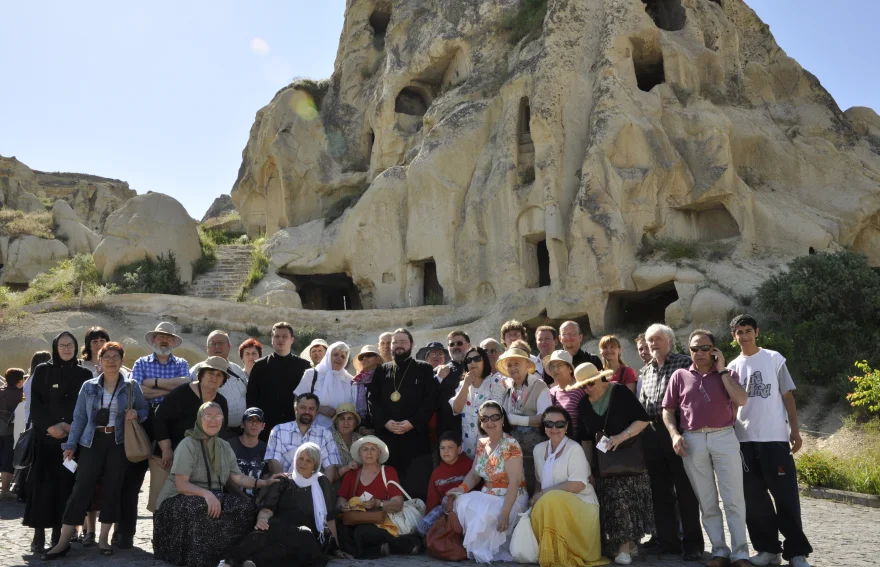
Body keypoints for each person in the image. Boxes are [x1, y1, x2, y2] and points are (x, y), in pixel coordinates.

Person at [42, 342, 148, 559]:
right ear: (99, 361)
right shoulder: (88, 386)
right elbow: (79, 418)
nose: (111, 361)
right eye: (107, 357)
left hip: (118, 443)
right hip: (91, 442)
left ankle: (103, 540)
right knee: (81, 489)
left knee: (112, 489)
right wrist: (70, 445)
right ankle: (63, 542)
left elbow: (144, 410)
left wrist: (136, 414)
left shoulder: (131, 386)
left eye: (116, 357)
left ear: (121, 360)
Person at [728, 314, 813, 567]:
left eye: (748, 331)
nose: (744, 336)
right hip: (744, 441)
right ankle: (768, 550)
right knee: (754, 500)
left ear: (757, 332)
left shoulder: (774, 358)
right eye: (739, 332)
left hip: (774, 438)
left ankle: (797, 553)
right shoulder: (732, 367)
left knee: (785, 497)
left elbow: (788, 397)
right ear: (734, 337)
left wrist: (795, 431)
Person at [662, 329, 750, 567]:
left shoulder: (728, 373)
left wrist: (721, 370)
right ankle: (719, 551)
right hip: (692, 439)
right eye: (694, 348)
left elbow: (741, 400)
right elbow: (667, 410)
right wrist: (674, 435)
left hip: (724, 436)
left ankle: (741, 553)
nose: (699, 353)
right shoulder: (680, 376)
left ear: (714, 349)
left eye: (704, 348)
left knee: (733, 498)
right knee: (706, 500)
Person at [153, 402, 278, 567]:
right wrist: (207, 494)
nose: (213, 421)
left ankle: (233, 557)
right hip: (176, 499)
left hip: (211, 496)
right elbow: (181, 485)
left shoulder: (224, 446)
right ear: (200, 418)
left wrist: (264, 482)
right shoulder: (188, 444)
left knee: (244, 508)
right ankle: (198, 560)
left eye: (217, 416)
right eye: (208, 416)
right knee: (199, 507)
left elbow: (237, 477)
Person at [572, 363, 653, 565]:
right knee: (610, 507)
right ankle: (628, 545)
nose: (588, 388)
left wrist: (620, 437)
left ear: (600, 378)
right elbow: (586, 439)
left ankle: (624, 550)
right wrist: (588, 468)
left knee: (622, 503)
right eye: (583, 386)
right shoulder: (583, 404)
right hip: (602, 464)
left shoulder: (619, 392)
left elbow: (643, 420)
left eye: (590, 383)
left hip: (628, 459)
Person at [222, 443, 351, 567]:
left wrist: (336, 548)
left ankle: (252, 562)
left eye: (308, 461)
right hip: (281, 525)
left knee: (298, 546)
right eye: (300, 458)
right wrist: (262, 519)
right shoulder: (283, 480)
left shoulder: (322, 482)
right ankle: (229, 562)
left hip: (308, 532)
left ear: (315, 465)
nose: (302, 463)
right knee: (266, 530)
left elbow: (328, 517)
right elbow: (268, 508)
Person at [638, 323, 703, 559]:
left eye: (657, 339)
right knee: (660, 492)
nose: (653, 344)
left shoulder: (685, 363)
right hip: (653, 435)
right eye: (650, 340)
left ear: (670, 341)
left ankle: (693, 544)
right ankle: (668, 543)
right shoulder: (645, 371)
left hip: (678, 432)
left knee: (686, 491)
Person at [123, 321, 191, 547]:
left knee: (165, 483)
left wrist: (153, 383)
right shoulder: (141, 362)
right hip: (143, 422)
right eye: (160, 336)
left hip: (171, 427)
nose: (164, 340)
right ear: (153, 340)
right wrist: (166, 388)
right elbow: (137, 391)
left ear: (173, 341)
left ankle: (163, 535)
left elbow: (184, 387)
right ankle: (125, 533)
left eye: (169, 337)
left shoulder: (182, 363)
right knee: (132, 481)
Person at [24, 332, 92, 553]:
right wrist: (51, 427)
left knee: (65, 489)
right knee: (42, 488)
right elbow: (36, 405)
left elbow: (87, 406)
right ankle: (38, 534)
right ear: (55, 347)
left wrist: (71, 427)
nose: (66, 349)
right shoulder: (43, 370)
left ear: (76, 347)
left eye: (70, 345)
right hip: (45, 441)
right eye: (62, 345)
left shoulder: (84, 374)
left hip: (71, 442)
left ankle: (58, 535)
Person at [446, 401, 528, 563]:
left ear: (502, 420)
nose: (490, 422)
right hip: (487, 495)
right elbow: (475, 475)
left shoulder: (510, 444)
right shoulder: (482, 443)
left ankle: (487, 549)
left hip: (509, 499)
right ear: (480, 422)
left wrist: (505, 513)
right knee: (461, 500)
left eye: (495, 417)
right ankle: (478, 548)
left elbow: (515, 481)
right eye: (485, 418)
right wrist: (461, 489)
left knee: (488, 513)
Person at [531, 406, 607, 567]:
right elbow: (539, 481)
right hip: (550, 503)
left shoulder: (574, 449)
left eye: (559, 424)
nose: (554, 428)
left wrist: (543, 494)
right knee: (543, 504)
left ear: (566, 427)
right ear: (543, 426)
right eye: (549, 424)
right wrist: (535, 498)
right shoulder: (538, 450)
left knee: (550, 499)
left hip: (581, 503)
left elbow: (578, 484)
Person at [368, 328, 437, 501]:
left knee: (417, 486)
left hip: (415, 438)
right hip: (387, 438)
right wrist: (384, 422)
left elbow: (430, 401)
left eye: (403, 342)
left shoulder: (424, 369)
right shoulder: (382, 370)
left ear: (412, 344)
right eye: (395, 342)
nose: (398, 345)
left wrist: (412, 422)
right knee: (388, 486)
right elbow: (372, 399)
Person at [335, 435, 423, 558]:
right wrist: (343, 507)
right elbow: (340, 501)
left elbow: (398, 503)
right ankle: (388, 547)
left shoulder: (388, 471)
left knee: (362, 532)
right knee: (340, 529)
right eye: (365, 449)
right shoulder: (352, 474)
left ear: (379, 453)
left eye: (373, 449)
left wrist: (378, 503)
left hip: (381, 521)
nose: (369, 453)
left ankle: (384, 547)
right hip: (356, 518)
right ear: (360, 453)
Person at [155, 356, 230, 467]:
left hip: (202, 459)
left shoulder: (221, 402)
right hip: (168, 456)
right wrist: (166, 449)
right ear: (202, 375)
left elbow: (221, 431)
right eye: (211, 373)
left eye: (219, 375)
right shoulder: (182, 393)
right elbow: (160, 418)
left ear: (223, 380)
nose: (214, 377)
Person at [246, 322, 311, 442]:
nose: (280, 340)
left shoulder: (304, 366)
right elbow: (251, 398)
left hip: (295, 427)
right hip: (266, 429)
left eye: (284, 336)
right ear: (271, 339)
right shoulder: (260, 366)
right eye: (276, 336)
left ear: (292, 339)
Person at [450, 346, 508, 459]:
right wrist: (466, 385)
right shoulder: (463, 385)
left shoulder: (495, 381)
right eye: (468, 360)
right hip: (468, 448)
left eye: (477, 358)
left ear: (484, 361)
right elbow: (456, 409)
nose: (472, 362)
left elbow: (495, 413)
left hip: (491, 447)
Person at [265, 393, 340, 479]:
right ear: (295, 409)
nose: (307, 412)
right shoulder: (278, 430)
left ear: (316, 412)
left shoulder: (325, 434)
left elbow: (330, 466)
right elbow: (274, 462)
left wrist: (324, 490)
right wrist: (284, 485)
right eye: (303, 407)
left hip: (313, 488)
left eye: (311, 409)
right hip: (284, 486)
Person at [498, 347, 549, 471]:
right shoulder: (509, 388)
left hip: (535, 452)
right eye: (509, 365)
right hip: (513, 453)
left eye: (516, 363)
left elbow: (545, 418)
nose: (512, 368)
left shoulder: (539, 385)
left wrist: (515, 420)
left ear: (526, 365)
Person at [190, 331, 248, 437]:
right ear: (207, 348)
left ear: (229, 346)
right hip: (208, 433)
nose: (217, 346)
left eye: (221, 343)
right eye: (213, 343)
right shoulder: (195, 371)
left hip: (238, 433)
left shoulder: (237, 370)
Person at [417, 432, 473, 536]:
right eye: (442, 448)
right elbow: (432, 499)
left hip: (465, 507)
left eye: (450, 447)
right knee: (422, 528)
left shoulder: (469, 465)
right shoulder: (437, 472)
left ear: (459, 449)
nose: (445, 451)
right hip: (444, 510)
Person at [295, 342, 356, 429]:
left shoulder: (349, 380)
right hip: (313, 429)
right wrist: (319, 409)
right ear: (328, 356)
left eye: (343, 356)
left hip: (341, 432)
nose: (339, 358)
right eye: (335, 355)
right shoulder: (312, 374)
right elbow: (298, 399)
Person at [435, 331, 470, 453]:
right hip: (449, 430)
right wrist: (438, 378)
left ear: (468, 346)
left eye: (459, 343)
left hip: (473, 428)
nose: (455, 347)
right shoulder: (439, 371)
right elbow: (427, 395)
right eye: (451, 344)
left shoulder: (477, 368)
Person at [228, 407, 268, 497]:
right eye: (250, 420)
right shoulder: (229, 445)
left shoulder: (267, 449)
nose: (254, 424)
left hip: (257, 500)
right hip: (232, 498)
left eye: (258, 421)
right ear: (242, 424)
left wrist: (260, 500)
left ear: (263, 426)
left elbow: (267, 476)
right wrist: (244, 498)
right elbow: (226, 478)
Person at [544, 350, 586, 437]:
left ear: (570, 369)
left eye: (559, 365)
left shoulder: (580, 390)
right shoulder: (551, 392)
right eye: (553, 366)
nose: (555, 369)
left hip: (575, 443)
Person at [0, 368, 25, 498]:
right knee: (8, 459)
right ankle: (4, 491)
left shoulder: (1, 391)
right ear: (20, 381)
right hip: (11, 431)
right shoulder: (19, 394)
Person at [330, 402, 362, 497]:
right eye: (342, 419)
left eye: (350, 419)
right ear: (337, 423)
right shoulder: (329, 439)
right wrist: (347, 468)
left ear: (355, 423)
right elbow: (327, 474)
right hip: (335, 488)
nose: (346, 423)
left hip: (358, 486)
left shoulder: (360, 439)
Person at [352, 345, 381, 432]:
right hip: (361, 427)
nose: (364, 358)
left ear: (378, 359)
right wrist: (361, 429)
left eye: (369, 355)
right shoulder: (356, 382)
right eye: (361, 357)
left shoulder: (385, 379)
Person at [634, 333, 652, 399]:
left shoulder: (662, 371)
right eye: (640, 349)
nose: (644, 352)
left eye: (647, 347)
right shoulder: (641, 377)